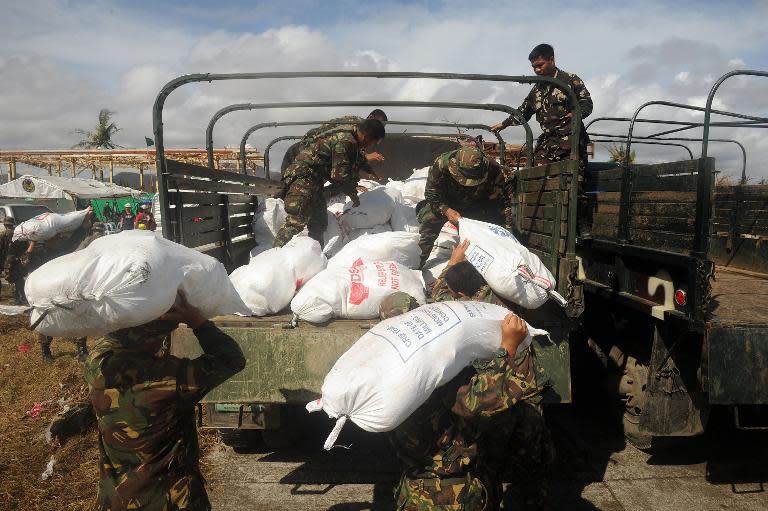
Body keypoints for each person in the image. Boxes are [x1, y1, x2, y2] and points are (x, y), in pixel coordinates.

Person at [84, 291, 246, 510]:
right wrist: (197, 322)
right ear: (155, 338)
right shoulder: (171, 380)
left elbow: (106, 343)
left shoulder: (98, 369)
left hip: (115, 501)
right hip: (169, 501)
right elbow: (231, 358)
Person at [432, 240, 555, 510]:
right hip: (526, 397)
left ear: (460, 293)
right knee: (532, 462)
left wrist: (451, 264)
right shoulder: (504, 298)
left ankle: (495, 495)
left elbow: (438, 295)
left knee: (489, 461)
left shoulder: (458, 310)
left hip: (501, 398)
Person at [389, 308, 545, 510]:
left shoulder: (390, 372)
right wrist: (507, 347)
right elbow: (481, 401)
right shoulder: (435, 373)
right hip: (455, 497)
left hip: (412, 494)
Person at [273, 118, 386, 247]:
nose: (370, 147)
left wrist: (370, 171)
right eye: (372, 143)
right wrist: (354, 196)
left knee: (319, 222)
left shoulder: (352, 138)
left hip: (315, 179)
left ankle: (315, 254)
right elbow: (340, 176)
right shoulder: (345, 141)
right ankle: (274, 255)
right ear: (366, 137)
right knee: (296, 220)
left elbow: (357, 158)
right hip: (303, 177)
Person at [491, 43, 593, 171]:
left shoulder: (569, 80)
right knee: (535, 176)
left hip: (571, 142)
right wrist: (504, 124)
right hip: (549, 142)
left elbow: (586, 104)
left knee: (570, 180)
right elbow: (524, 110)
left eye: (540, 65)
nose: (537, 70)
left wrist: (575, 114)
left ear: (551, 60)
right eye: (534, 67)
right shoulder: (538, 88)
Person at [417, 145, 515, 267]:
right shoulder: (442, 164)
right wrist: (446, 210)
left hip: (476, 206)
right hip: (446, 204)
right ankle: (417, 262)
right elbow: (431, 194)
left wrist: (506, 233)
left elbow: (502, 203)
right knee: (429, 221)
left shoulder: (495, 169)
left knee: (485, 236)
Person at [280, 109, 388, 181]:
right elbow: (346, 160)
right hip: (301, 152)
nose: (380, 127)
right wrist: (351, 188)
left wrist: (369, 170)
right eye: (379, 123)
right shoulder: (354, 128)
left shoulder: (359, 132)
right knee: (288, 188)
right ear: (370, 117)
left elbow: (355, 157)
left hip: (312, 153)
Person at [0, 217, 15, 299]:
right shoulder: (18, 233)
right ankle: (18, 296)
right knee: (16, 278)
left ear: (5, 224)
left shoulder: (3, 234)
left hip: (4, 259)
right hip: (15, 259)